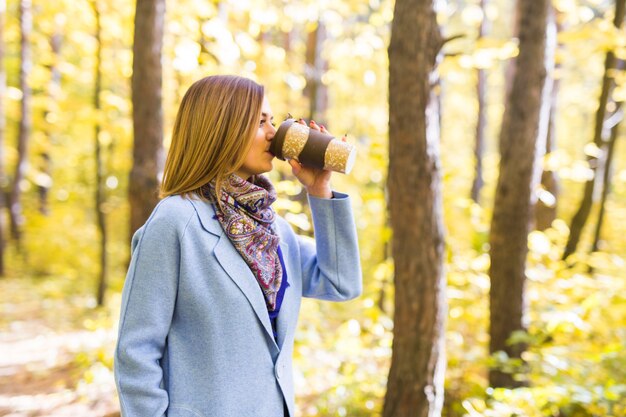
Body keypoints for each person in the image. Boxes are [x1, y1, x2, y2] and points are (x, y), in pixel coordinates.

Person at [114, 74, 362, 417]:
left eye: (272, 120)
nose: (274, 133)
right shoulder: (176, 222)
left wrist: (319, 189)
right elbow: (136, 353)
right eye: (261, 122)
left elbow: (341, 283)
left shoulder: (274, 232)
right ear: (222, 127)